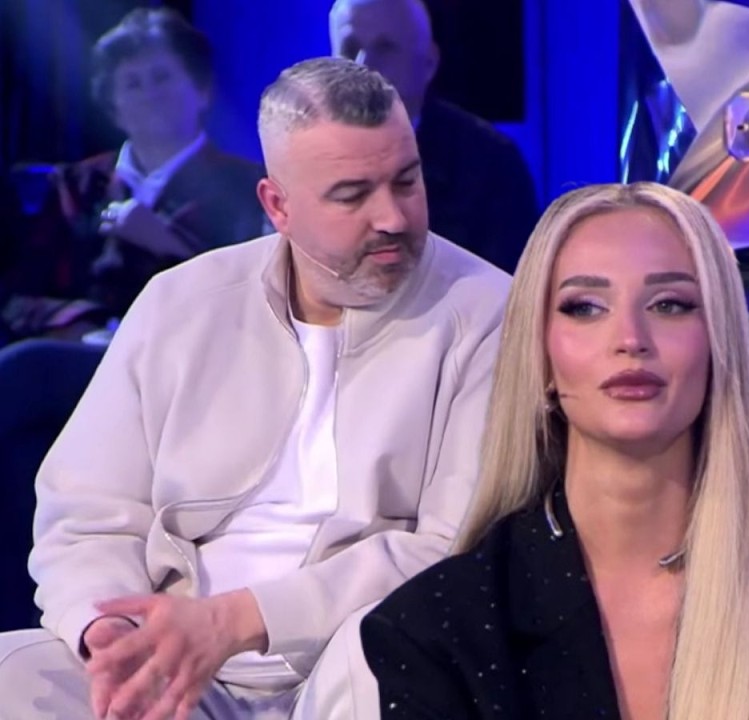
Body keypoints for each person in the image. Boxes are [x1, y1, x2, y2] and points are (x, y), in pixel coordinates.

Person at [0, 57, 508, 719]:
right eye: (352, 195)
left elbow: (455, 549)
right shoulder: (181, 303)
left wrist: (235, 620)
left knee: (384, 659)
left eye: (406, 181)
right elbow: (87, 512)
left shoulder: (488, 311)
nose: (391, 216)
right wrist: (112, 633)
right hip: (178, 654)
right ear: (277, 206)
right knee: (15, 676)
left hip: (352, 657)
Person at [360, 182, 749, 720]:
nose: (630, 338)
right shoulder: (439, 628)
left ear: (718, 342)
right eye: (585, 307)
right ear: (541, 355)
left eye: (669, 304)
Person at [1, 8, 264, 341]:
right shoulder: (73, 185)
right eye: (132, 84)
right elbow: (20, 296)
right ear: (114, 111)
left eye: (162, 77)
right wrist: (83, 329)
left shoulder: (249, 188)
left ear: (202, 92)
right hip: (82, 360)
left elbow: (255, 307)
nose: (150, 95)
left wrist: (167, 243)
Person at [330, 0, 540, 275]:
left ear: (428, 63)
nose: (364, 66)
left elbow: (512, 289)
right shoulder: (307, 160)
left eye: (385, 48)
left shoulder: (493, 167)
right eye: (350, 49)